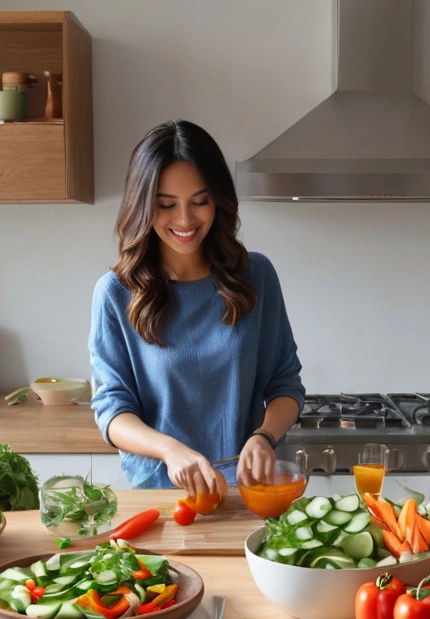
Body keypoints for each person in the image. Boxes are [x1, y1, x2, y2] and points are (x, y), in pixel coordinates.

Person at [89, 120, 305, 498]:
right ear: (142, 205)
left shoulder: (257, 276)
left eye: (200, 201)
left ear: (218, 200)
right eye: (166, 205)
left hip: (251, 495)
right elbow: (111, 411)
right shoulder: (115, 293)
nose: (186, 221)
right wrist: (170, 450)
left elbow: (285, 384)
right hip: (164, 494)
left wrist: (264, 436)